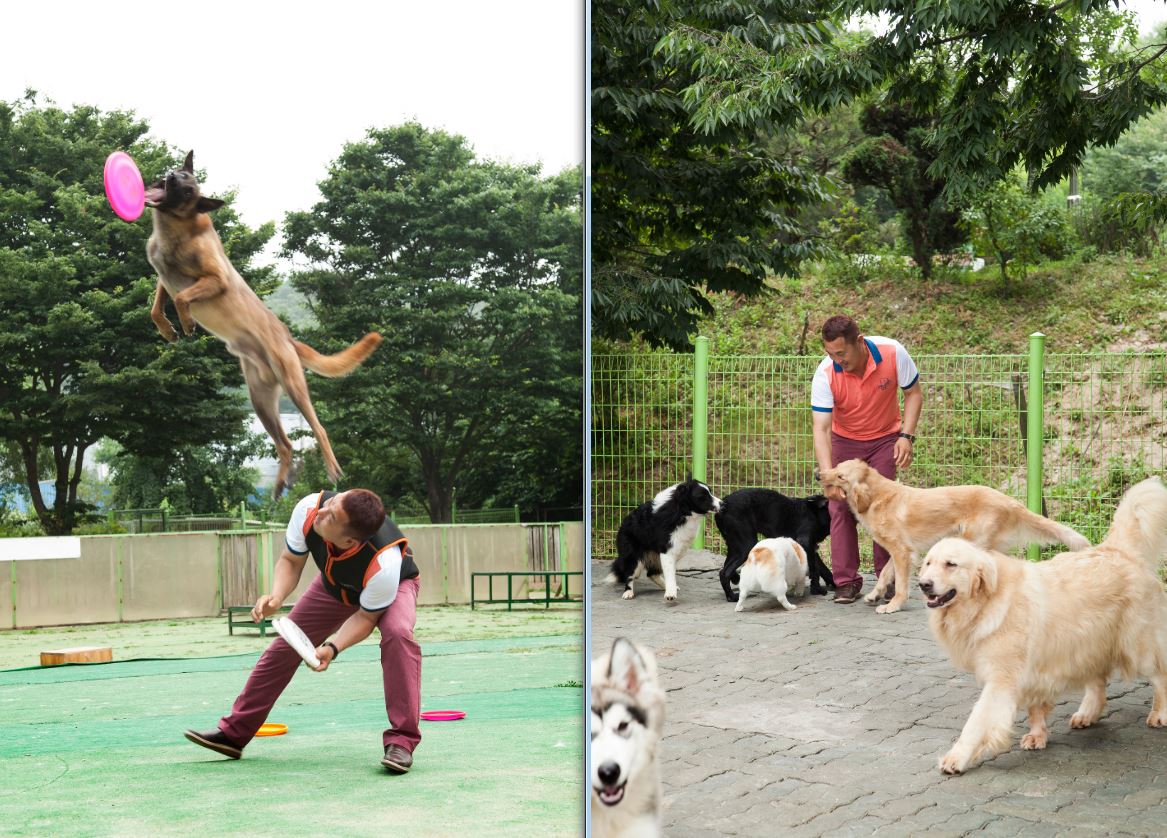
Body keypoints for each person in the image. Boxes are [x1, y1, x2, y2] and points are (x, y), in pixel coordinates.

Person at [184, 488, 422, 773]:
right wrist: (276, 596)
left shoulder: (384, 563)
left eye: (331, 515)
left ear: (348, 540)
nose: (322, 511)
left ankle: (402, 742)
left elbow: (365, 617)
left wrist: (333, 648)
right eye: (331, 503)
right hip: (335, 587)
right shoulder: (310, 507)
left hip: (394, 589)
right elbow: (291, 561)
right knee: (285, 645)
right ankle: (234, 734)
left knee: (398, 634)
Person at [810, 315, 922, 604]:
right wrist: (829, 475)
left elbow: (913, 394)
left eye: (841, 353)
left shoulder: (893, 352)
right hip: (845, 442)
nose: (836, 359)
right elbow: (821, 428)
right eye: (830, 353)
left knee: (881, 506)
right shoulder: (826, 373)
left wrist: (906, 437)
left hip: (885, 438)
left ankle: (888, 581)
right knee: (839, 507)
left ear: (858, 342)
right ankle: (846, 581)